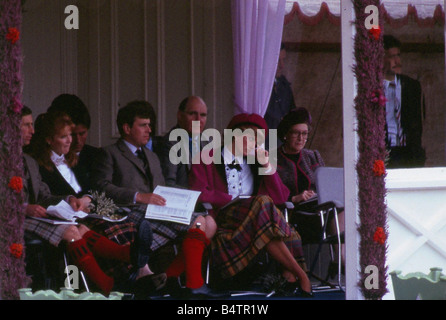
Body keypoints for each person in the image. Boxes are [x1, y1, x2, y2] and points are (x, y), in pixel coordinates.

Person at [91, 100, 220, 298]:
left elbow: (163, 188)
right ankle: (194, 283)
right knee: (200, 222)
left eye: (149, 125)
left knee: (209, 223)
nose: (149, 130)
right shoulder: (109, 154)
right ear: (126, 128)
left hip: (157, 211)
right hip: (129, 211)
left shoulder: (151, 156)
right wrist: (138, 196)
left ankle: (168, 278)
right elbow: (101, 187)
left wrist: (181, 200)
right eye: (143, 125)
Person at [20, 106, 153, 296]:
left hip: (85, 207)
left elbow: (90, 189)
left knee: (126, 220)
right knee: (89, 227)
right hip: (62, 215)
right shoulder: (40, 163)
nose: (71, 141)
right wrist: (31, 207)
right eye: (26, 125)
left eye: (72, 135)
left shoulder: (73, 160)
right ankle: (117, 275)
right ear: (49, 140)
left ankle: (139, 272)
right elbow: (43, 197)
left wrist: (79, 198)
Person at [188, 113, 312, 297]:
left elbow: (281, 197)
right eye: (252, 139)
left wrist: (267, 167)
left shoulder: (256, 161)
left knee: (265, 208)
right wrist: (229, 198)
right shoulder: (207, 157)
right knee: (263, 203)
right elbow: (197, 192)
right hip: (222, 216)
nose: (256, 145)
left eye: (259, 140)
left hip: (257, 219)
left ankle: (293, 277)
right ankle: (300, 275)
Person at [276, 107, 345, 272]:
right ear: (285, 133)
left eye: (305, 133)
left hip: (318, 211)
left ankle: (340, 260)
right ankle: (340, 262)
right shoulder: (272, 158)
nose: (301, 138)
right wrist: (295, 198)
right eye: (296, 133)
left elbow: (325, 184)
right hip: (292, 215)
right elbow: (270, 193)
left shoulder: (312, 155)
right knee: (336, 209)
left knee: (341, 206)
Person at [383, 35, 425, 168]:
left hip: (408, 152)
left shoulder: (411, 85)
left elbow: (417, 122)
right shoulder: (372, 87)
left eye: (398, 55)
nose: (397, 61)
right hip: (384, 151)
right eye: (391, 57)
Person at [47, 94, 100, 191]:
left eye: (82, 133)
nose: (78, 141)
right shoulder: (45, 160)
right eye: (72, 134)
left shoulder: (97, 156)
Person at [158, 96, 208, 188]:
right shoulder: (170, 143)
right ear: (180, 116)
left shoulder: (207, 142)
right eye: (193, 113)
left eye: (203, 115)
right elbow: (168, 184)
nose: (198, 120)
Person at [264, 43, 296, 135]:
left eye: (283, 60)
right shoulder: (258, 88)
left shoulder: (284, 85)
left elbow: (293, 114)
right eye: (277, 61)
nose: (282, 65)